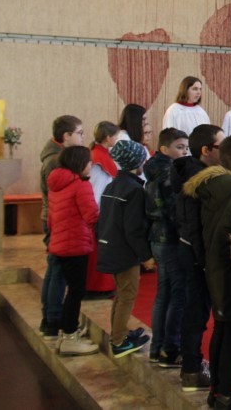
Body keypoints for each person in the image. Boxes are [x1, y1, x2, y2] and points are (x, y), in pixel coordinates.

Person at [187, 134, 231, 410]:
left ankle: (218, 390)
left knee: (222, 328)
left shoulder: (210, 185)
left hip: (213, 266)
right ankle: (227, 393)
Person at [173, 124, 224, 393]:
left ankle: (191, 364)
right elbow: (194, 224)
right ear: (206, 151)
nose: (225, 151)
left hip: (192, 250)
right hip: (196, 253)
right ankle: (192, 370)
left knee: (195, 310)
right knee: (197, 312)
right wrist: (205, 261)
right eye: (221, 146)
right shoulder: (198, 180)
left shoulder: (194, 172)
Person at [97, 139, 154, 358]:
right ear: (137, 162)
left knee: (121, 294)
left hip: (111, 245)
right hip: (124, 250)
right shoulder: (134, 190)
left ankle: (118, 334)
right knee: (127, 295)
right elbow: (134, 229)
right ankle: (119, 341)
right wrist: (145, 256)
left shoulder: (113, 185)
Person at [47, 145, 100, 356]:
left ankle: (65, 333)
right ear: (80, 163)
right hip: (76, 245)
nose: (91, 165)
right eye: (89, 161)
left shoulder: (56, 184)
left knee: (69, 290)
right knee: (76, 292)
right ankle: (70, 336)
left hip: (59, 242)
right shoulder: (80, 185)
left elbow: (52, 217)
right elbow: (91, 215)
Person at [144, 127, 190, 367]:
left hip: (157, 237)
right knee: (177, 295)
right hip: (170, 239)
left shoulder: (154, 169)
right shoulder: (169, 174)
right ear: (164, 149)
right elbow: (175, 211)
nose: (184, 152)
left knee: (164, 295)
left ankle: (157, 348)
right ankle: (170, 349)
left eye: (186, 148)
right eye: (179, 147)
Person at [39, 115, 85, 342]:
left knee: (55, 269)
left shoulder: (56, 156)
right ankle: (53, 320)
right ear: (66, 136)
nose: (82, 138)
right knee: (57, 272)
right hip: (58, 220)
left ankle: (50, 319)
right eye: (80, 133)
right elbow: (58, 195)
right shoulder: (55, 161)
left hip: (55, 218)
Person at [86, 120, 120, 295]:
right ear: (108, 137)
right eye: (115, 136)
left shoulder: (100, 154)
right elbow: (97, 188)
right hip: (99, 210)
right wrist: (100, 212)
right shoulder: (98, 159)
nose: (117, 139)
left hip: (101, 209)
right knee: (98, 252)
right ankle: (97, 287)